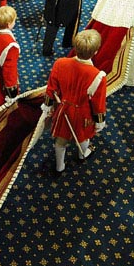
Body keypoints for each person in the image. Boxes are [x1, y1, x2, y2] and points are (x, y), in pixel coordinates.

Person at [41, 30, 108, 175]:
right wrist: (99, 121)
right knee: (83, 137)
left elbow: (51, 89)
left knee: (61, 141)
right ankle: (82, 155)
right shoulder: (98, 76)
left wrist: (48, 106)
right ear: (95, 52)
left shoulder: (60, 63)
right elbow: (98, 104)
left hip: (64, 109)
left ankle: (59, 167)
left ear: (75, 47)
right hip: (83, 114)